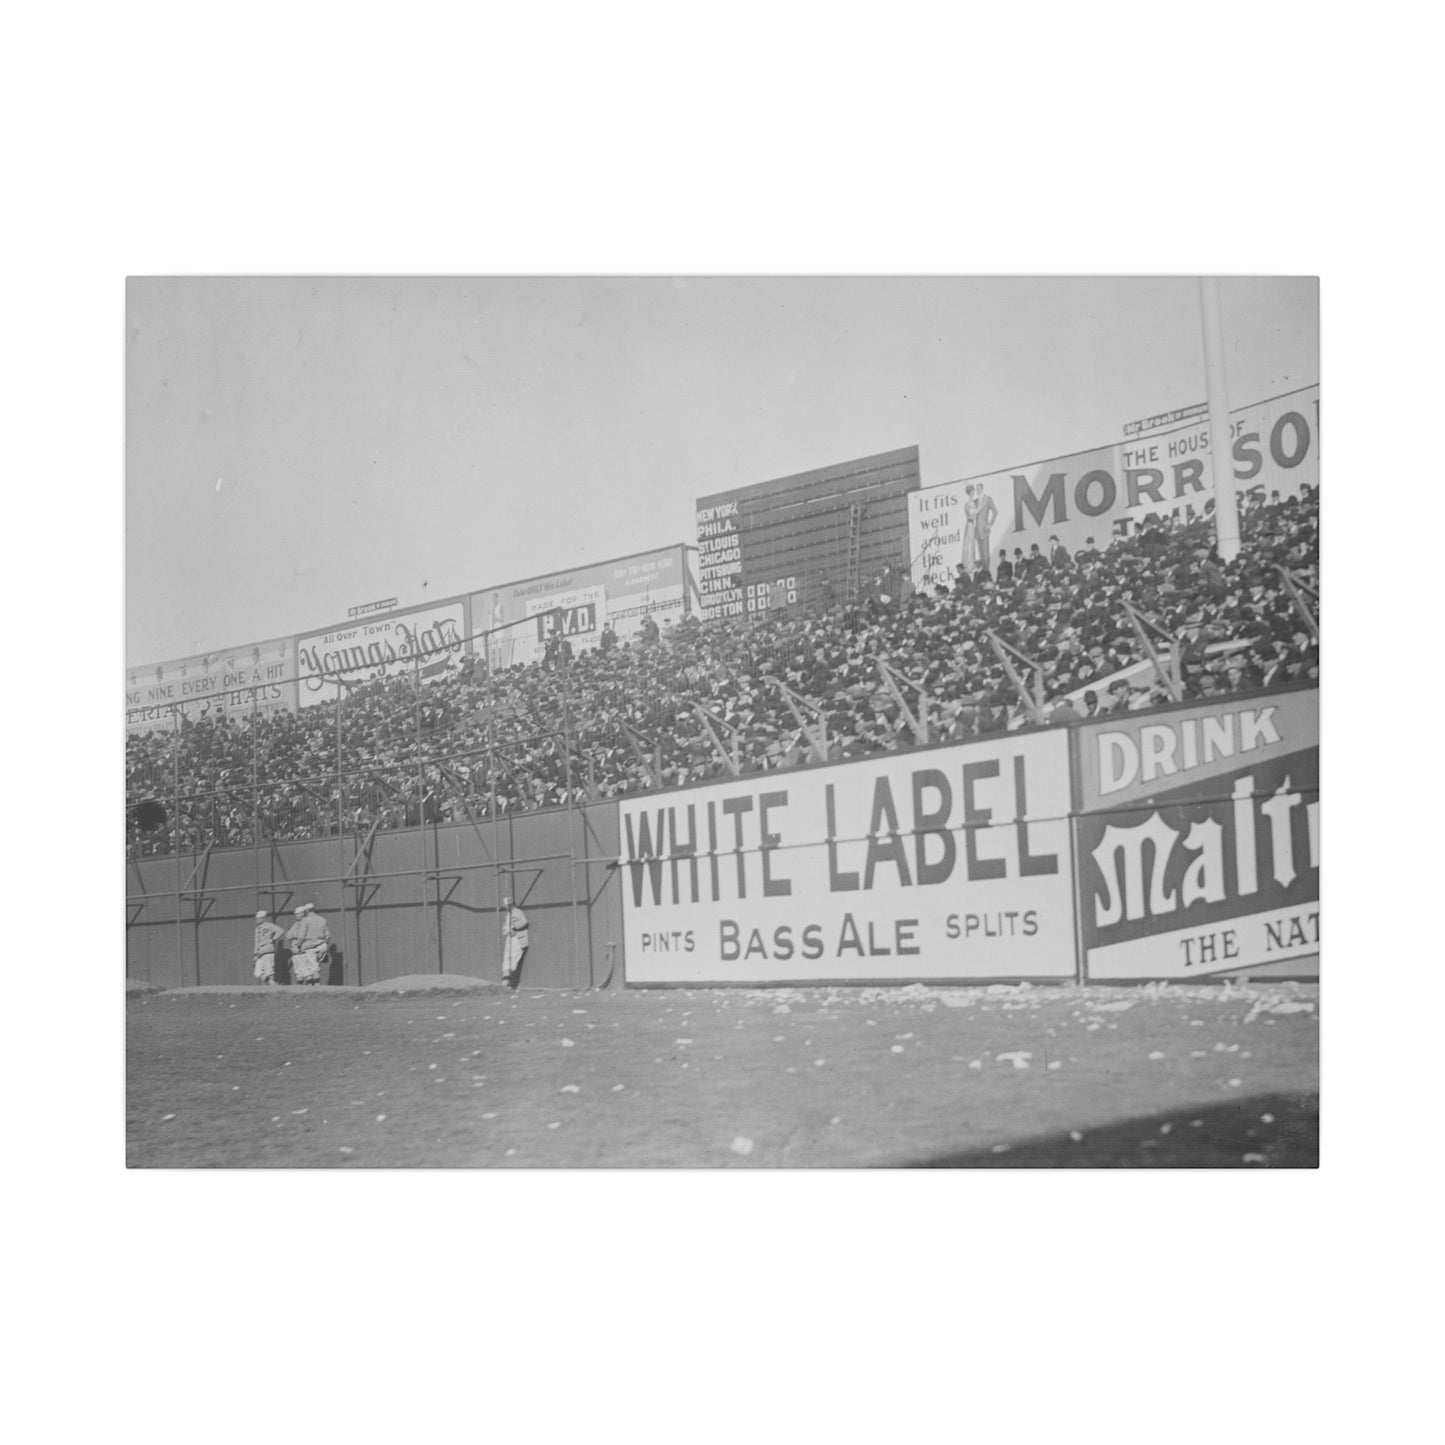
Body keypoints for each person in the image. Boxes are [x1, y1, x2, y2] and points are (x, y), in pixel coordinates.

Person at [286, 903, 331, 986]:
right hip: (322, 945)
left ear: (306, 911)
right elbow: (327, 934)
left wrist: (298, 945)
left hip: (310, 946)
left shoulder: (306, 921)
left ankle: (317, 986)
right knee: (314, 966)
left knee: (314, 969)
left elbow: (301, 936)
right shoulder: (322, 919)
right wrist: (326, 944)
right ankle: (321, 956)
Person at [501, 895, 529, 989]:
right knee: (506, 959)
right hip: (509, 939)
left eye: (506, 905)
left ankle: (509, 983)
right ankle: (505, 982)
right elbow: (504, 928)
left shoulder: (517, 911)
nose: (505, 907)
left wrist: (514, 928)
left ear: (510, 904)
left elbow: (524, 922)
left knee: (514, 959)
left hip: (517, 938)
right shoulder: (508, 914)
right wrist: (505, 930)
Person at [253, 908, 284, 985]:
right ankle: (273, 984)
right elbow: (257, 942)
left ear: (264, 918)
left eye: (259, 918)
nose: (257, 919)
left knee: (269, 970)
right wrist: (255, 954)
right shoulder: (257, 928)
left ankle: (272, 987)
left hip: (267, 949)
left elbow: (280, 931)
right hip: (260, 952)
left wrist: (273, 939)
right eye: (257, 918)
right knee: (257, 972)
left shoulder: (269, 925)